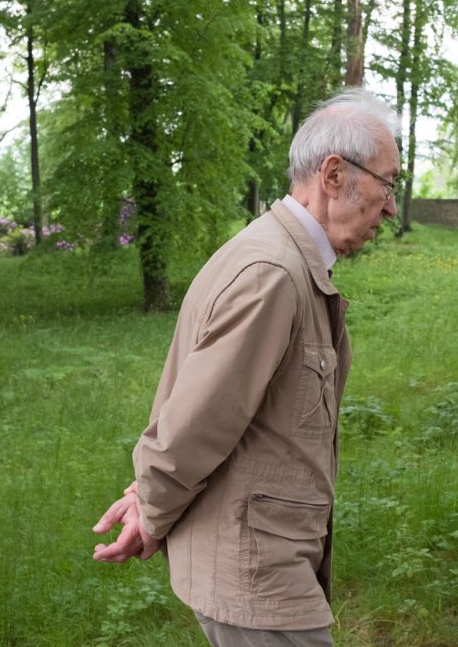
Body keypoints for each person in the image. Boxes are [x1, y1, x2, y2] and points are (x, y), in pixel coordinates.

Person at [92, 88, 400, 647]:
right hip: (256, 575)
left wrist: (146, 496)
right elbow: (196, 424)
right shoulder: (273, 274)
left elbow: (213, 408)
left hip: (263, 562)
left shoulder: (277, 259)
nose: (391, 206)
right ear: (334, 175)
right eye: (388, 183)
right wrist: (152, 509)